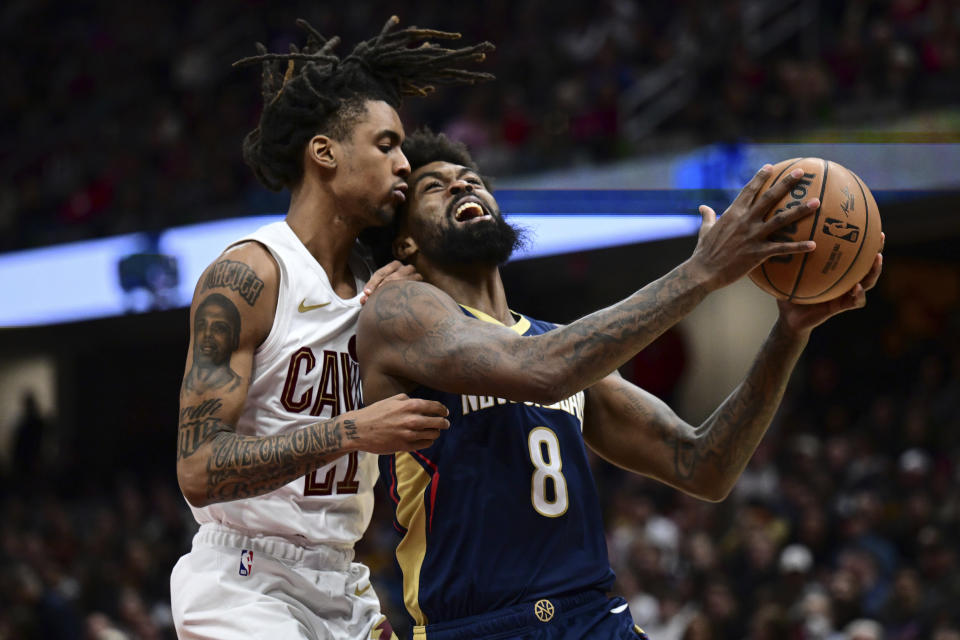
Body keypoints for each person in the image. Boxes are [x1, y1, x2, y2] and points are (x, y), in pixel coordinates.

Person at [356, 129, 884, 640]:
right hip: (478, 625)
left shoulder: (562, 346)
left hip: (594, 618)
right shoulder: (400, 313)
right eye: (434, 185)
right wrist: (701, 271)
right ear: (405, 243)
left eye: (472, 178)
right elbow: (537, 372)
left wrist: (789, 332)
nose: (462, 185)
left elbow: (703, 465)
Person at [170, 19, 493, 640]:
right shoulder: (250, 274)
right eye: (386, 144)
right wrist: (351, 430)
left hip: (342, 578)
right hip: (243, 576)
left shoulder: (388, 287)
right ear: (325, 153)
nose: (404, 163)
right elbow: (199, 468)